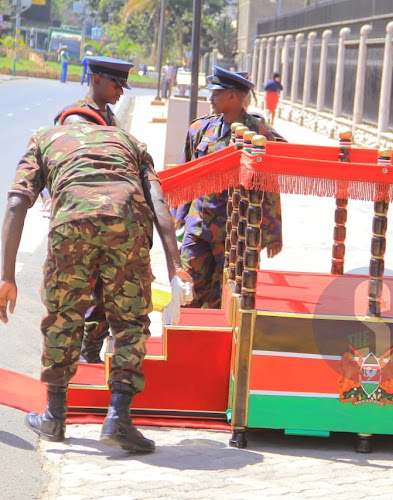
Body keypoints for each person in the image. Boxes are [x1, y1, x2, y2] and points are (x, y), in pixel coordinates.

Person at [0, 109, 192, 453]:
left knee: (63, 316)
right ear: (103, 129)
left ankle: (55, 416)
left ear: (64, 124)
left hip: (72, 222)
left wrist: (7, 276)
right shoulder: (130, 141)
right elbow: (159, 203)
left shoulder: (45, 138)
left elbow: (17, 201)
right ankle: (118, 416)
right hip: (128, 223)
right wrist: (176, 264)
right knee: (130, 320)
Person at [174, 66, 284, 309]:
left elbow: (271, 182)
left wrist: (273, 231)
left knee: (225, 299)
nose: (210, 98)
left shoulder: (259, 133)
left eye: (216, 93)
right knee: (186, 291)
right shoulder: (200, 129)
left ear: (233, 96)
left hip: (235, 233)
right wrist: (179, 214)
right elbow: (187, 174)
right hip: (199, 225)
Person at [53, 56, 135, 364]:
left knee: (103, 289)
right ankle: (66, 362)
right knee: (76, 290)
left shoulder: (107, 116)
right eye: (116, 85)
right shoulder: (77, 119)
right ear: (96, 80)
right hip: (80, 219)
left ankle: (90, 350)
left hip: (108, 218)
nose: (120, 92)